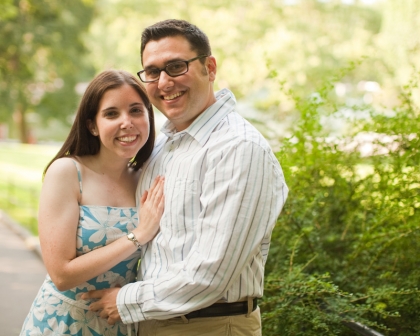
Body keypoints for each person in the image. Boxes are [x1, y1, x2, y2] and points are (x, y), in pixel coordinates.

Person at [84, 19, 289, 335]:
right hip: (151, 322)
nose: (164, 82)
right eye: (152, 72)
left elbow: (212, 274)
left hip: (210, 325)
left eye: (176, 66)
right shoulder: (163, 145)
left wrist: (124, 301)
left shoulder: (238, 148)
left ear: (210, 67)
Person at [20, 70, 165, 336]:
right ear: (92, 126)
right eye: (111, 114)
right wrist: (138, 235)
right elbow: (61, 275)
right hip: (63, 323)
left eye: (136, 111)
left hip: (120, 323)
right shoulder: (67, 173)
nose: (127, 122)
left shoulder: (147, 179)